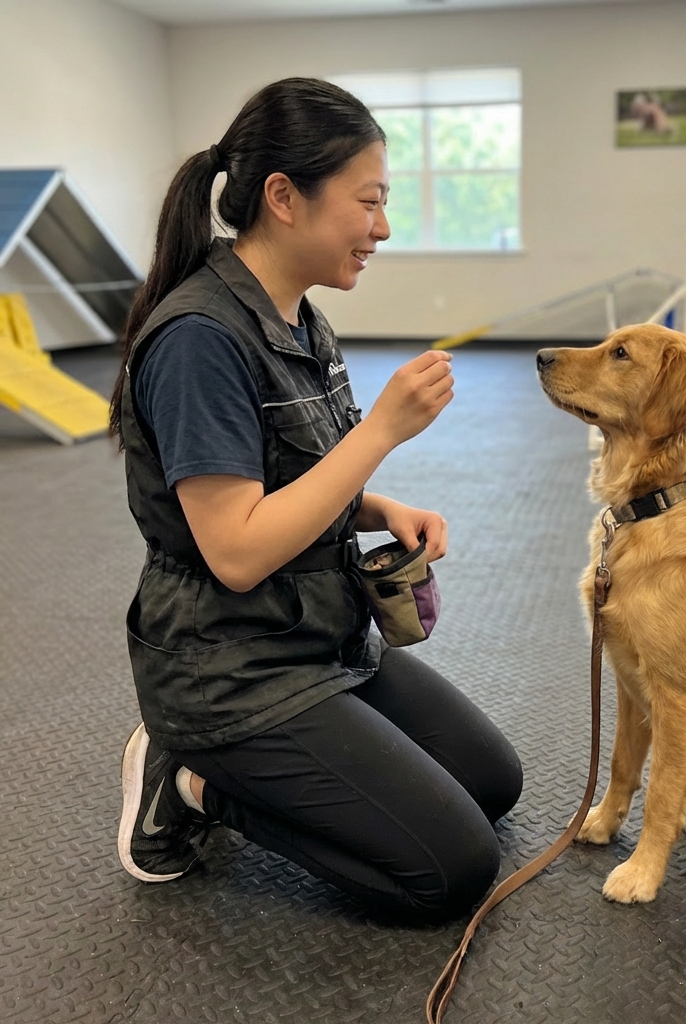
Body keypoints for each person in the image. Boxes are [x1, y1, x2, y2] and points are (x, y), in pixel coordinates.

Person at [109, 77, 522, 922]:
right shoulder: (198, 342)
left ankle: (244, 767)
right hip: (229, 666)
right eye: (368, 202)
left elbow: (293, 474)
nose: (384, 228)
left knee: (493, 783)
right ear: (284, 197)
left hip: (316, 634)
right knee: (448, 871)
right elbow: (237, 549)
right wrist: (383, 432)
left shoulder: (300, 317)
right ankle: (188, 782)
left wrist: (379, 507)